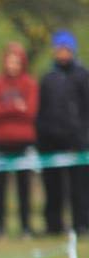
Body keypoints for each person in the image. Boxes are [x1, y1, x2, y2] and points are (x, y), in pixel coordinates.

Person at [36, 30, 89, 235]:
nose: (62, 53)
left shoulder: (82, 76)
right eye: (59, 49)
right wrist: (42, 136)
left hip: (78, 141)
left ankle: (81, 223)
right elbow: (42, 109)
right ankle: (54, 225)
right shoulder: (48, 78)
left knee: (80, 186)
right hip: (51, 140)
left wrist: (82, 136)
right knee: (53, 186)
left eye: (66, 49)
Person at [0, 42, 38, 236]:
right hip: (0, 142)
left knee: (24, 186)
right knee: (0, 187)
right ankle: (0, 227)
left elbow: (30, 111)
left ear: (22, 63)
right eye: (10, 61)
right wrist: (15, 106)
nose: (12, 65)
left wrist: (5, 108)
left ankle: (26, 226)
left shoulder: (29, 83)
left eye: (16, 62)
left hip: (23, 142)